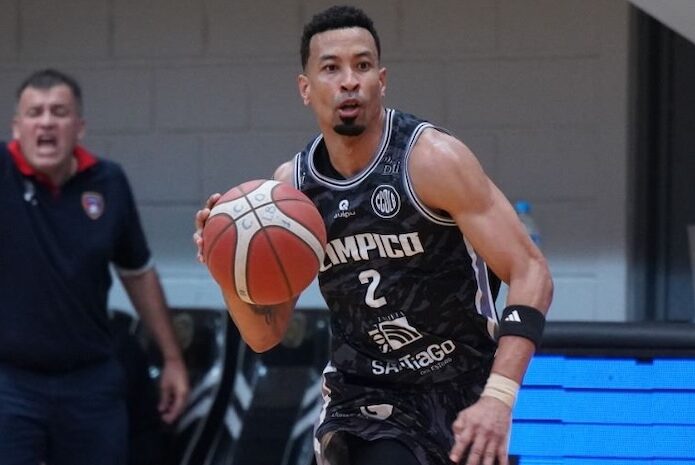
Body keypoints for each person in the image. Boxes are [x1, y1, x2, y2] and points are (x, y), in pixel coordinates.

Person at [194, 6, 553, 465]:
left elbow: (531, 272)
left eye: (362, 66)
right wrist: (227, 269)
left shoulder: (431, 160)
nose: (349, 81)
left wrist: (500, 398)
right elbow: (266, 334)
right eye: (331, 68)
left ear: (381, 81)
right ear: (306, 89)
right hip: (364, 394)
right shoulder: (293, 192)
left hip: (461, 383)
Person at [0, 68, 189, 465]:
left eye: (59, 112)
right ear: (17, 128)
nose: (46, 122)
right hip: (11, 383)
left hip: (91, 382)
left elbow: (138, 273)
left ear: (79, 127)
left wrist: (172, 359)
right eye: (35, 113)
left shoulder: (108, 182)